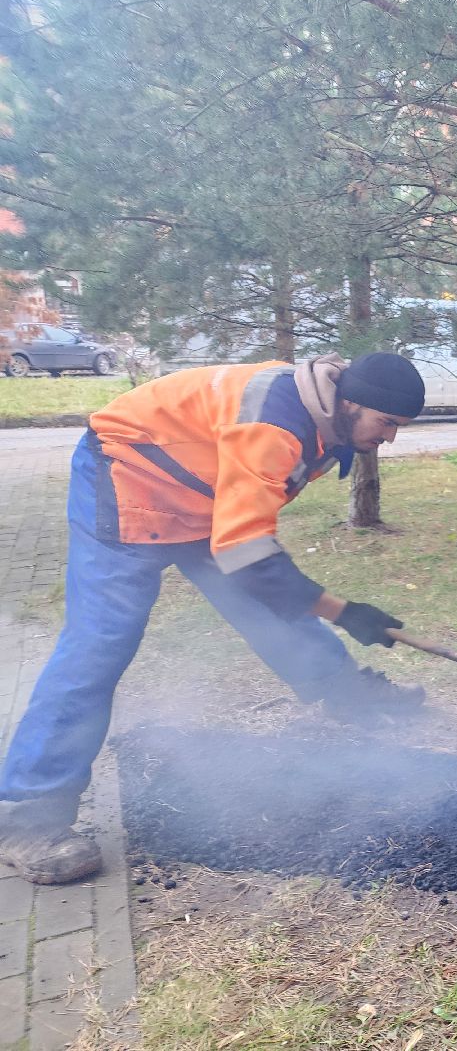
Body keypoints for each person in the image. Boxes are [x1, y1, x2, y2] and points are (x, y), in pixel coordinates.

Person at [0, 352, 431, 885]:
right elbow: (249, 556)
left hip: (201, 495)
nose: (390, 439)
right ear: (350, 402)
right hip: (127, 477)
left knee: (265, 602)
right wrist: (346, 612)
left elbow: (251, 552)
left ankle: (346, 691)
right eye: (387, 423)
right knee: (101, 642)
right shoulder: (273, 424)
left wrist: (316, 602)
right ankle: (29, 815)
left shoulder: (327, 417)